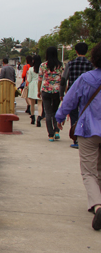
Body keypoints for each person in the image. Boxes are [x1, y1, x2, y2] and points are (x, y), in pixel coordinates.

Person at [56, 42, 101, 230]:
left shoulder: (86, 78)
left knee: (89, 171)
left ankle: (98, 206)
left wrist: (59, 117)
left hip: (89, 129)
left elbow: (70, 100)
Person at [59, 42, 94, 149]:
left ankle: (76, 139)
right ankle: (85, 136)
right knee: (85, 114)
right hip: (88, 94)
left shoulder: (70, 64)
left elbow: (64, 79)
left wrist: (61, 93)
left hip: (73, 93)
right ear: (87, 51)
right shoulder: (90, 65)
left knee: (74, 115)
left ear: (76, 51)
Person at [38, 46, 64, 141]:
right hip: (57, 91)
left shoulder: (43, 65)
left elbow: (40, 79)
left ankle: (51, 134)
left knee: (48, 113)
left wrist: (38, 91)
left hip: (46, 90)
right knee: (55, 111)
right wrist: (63, 91)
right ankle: (57, 130)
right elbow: (63, 79)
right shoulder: (60, 65)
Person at [27, 55, 43, 126]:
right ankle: (39, 117)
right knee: (40, 104)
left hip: (32, 85)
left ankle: (32, 117)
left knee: (32, 104)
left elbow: (28, 79)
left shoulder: (30, 69)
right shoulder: (42, 69)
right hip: (40, 85)